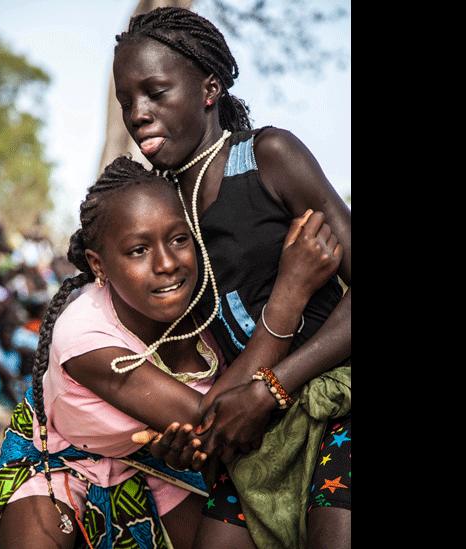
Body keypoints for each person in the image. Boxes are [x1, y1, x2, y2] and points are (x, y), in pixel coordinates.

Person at [0, 157, 339, 549]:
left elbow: (216, 427)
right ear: (98, 264)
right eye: (138, 250)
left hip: (160, 463)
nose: (167, 264)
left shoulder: (205, 308)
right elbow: (212, 421)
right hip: (60, 453)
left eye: (178, 239)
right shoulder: (83, 332)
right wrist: (288, 298)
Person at [111, 8, 351, 548]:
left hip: (337, 399)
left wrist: (272, 389)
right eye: (128, 102)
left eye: (155, 92)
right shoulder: (160, 213)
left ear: (209, 89)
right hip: (254, 431)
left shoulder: (269, 158)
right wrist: (193, 438)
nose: (139, 114)